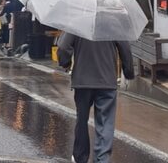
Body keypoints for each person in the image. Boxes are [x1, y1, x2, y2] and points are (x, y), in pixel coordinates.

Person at [56, 33, 134, 163]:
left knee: (81, 119)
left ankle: (80, 157)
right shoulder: (112, 22)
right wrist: (129, 72)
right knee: (105, 122)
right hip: (106, 80)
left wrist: (65, 63)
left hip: (82, 80)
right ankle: (102, 159)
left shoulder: (78, 21)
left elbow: (63, 47)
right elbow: (125, 48)